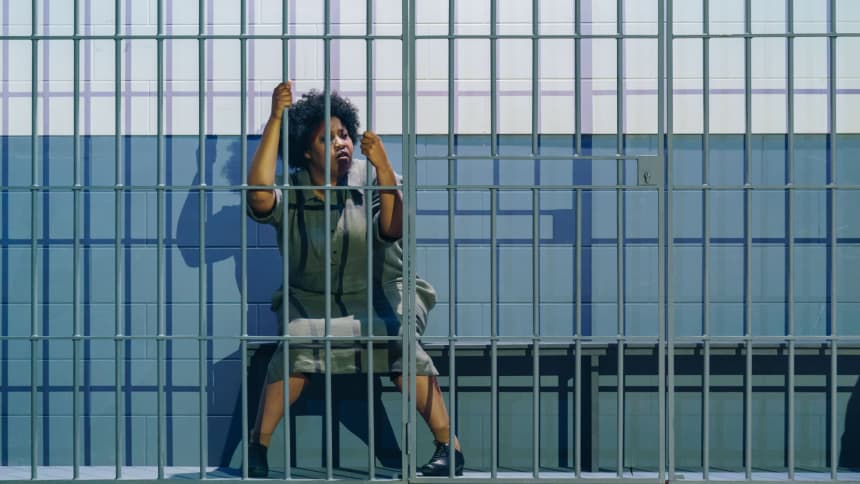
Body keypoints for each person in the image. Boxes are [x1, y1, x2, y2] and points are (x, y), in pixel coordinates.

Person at [245, 81, 464, 478]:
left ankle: (450, 448)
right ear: (305, 151)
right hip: (311, 297)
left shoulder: (373, 176)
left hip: (384, 292)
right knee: (295, 342)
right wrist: (276, 118)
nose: (341, 143)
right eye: (326, 139)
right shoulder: (294, 187)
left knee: (400, 342)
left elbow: (393, 230)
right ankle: (257, 450)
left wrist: (383, 170)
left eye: (344, 134)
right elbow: (259, 198)